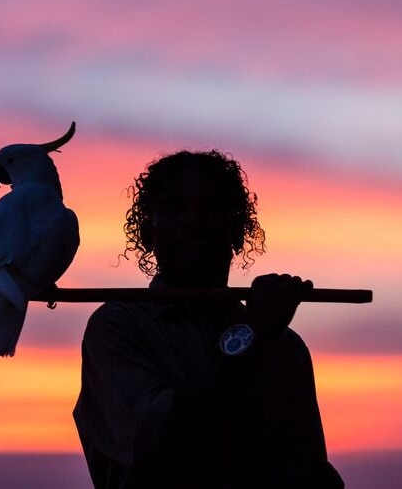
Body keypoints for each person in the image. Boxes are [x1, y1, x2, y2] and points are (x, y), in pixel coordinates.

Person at [73, 150, 343, 488]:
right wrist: (252, 335)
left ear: (237, 231)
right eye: (175, 208)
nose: (193, 221)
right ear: (147, 232)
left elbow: (310, 472)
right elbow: (162, 443)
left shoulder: (286, 348)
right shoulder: (117, 328)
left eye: (211, 208)